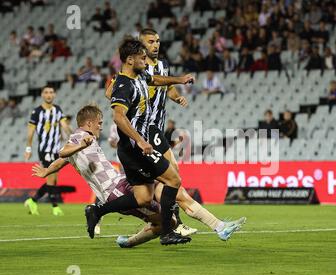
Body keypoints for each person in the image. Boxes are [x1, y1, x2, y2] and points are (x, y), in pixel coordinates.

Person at [32, 104, 246, 247]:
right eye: (98, 121)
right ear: (89, 123)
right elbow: (64, 152)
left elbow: (63, 159)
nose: (101, 125)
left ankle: (219, 226)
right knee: (167, 217)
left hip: (121, 184)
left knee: (169, 200)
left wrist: (47, 170)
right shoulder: (81, 135)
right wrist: (80, 144)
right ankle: (125, 238)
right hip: (115, 192)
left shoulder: (83, 139)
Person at [86, 38, 195, 245]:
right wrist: (142, 141)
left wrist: (179, 80)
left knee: (143, 198)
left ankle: (97, 210)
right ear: (129, 60)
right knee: (173, 179)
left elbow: (154, 79)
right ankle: (167, 233)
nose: (146, 62)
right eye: (142, 58)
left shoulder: (140, 75)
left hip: (130, 149)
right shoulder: (123, 85)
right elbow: (118, 117)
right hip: (137, 148)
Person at [24, 86, 72, 216]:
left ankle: (32, 200)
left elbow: (65, 127)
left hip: (56, 150)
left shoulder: (58, 110)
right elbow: (30, 132)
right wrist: (28, 148)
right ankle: (55, 207)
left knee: (53, 180)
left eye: (51, 92)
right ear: (42, 95)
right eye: (46, 92)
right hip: (45, 150)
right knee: (51, 178)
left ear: (54, 94)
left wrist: (73, 137)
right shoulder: (37, 112)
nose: (49, 95)